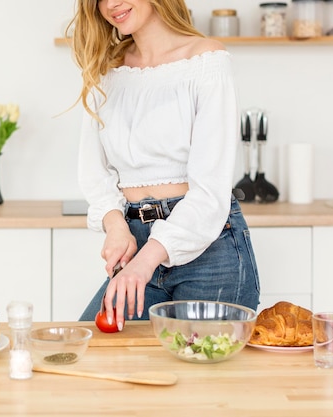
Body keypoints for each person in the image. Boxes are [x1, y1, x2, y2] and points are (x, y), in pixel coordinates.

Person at [70, 0, 260, 329]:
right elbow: (95, 173)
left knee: (203, 373)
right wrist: (116, 226)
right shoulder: (106, 70)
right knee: (98, 358)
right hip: (137, 241)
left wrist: (147, 260)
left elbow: (210, 191)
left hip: (210, 251)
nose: (110, 5)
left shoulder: (205, 61)